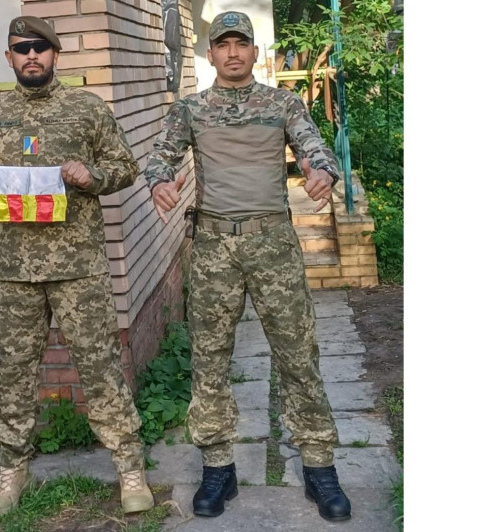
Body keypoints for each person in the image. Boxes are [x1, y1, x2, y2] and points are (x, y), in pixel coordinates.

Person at [144, 11, 352, 523]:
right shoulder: (189, 110)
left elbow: (314, 146)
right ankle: (219, 465)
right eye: (223, 45)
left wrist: (320, 169)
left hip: (273, 245)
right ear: (211, 54)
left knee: (298, 355)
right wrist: (159, 181)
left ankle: (319, 464)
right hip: (214, 247)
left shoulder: (282, 103)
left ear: (254, 53)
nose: (233, 53)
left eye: (242, 44)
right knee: (210, 360)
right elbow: (159, 156)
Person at [0, 16, 154, 517]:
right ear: (9, 58)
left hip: (78, 267)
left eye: (40, 48)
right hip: (16, 270)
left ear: (55, 55)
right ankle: (12, 471)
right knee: (14, 373)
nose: (31, 56)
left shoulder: (85, 108)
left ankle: (130, 468)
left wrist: (93, 175)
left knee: (101, 367)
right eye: (22, 49)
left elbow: (126, 166)